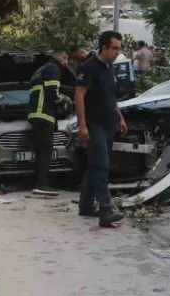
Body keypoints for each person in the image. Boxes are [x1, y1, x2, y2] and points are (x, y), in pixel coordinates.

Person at [75, 31, 128, 227]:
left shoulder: (110, 69)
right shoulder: (88, 68)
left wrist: (120, 118)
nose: (117, 52)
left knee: (95, 165)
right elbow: (79, 95)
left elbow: (111, 97)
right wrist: (82, 124)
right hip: (94, 124)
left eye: (119, 48)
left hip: (110, 124)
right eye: (115, 48)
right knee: (101, 166)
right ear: (104, 47)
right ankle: (105, 209)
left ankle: (86, 205)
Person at [29, 51, 72, 192]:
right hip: (45, 114)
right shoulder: (53, 68)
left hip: (35, 113)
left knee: (40, 151)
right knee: (46, 151)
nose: (66, 62)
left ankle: (37, 182)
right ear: (56, 55)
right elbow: (53, 92)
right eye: (64, 58)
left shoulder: (40, 70)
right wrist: (62, 103)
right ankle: (42, 185)